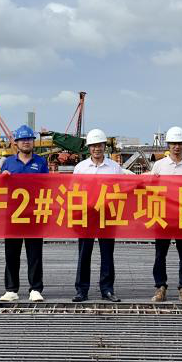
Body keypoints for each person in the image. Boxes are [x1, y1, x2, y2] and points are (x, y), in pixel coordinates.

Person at [72, 128, 123, 302]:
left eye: (99, 145)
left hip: (107, 215)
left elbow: (121, 189)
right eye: (93, 146)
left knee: (107, 253)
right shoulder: (80, 168)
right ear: (89, 148)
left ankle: (107, 289)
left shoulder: (114, 168)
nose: (96, 149)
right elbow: (73, 191)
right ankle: (81, 290)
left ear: (104, 147)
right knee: (84, 253)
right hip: (86, 215)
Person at [0, 124, 49, 303]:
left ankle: (35, 288)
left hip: (34, 213)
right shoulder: (8, 163)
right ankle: (11, 289)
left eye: (29, 139)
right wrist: (2, 178)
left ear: (33, 142)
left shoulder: (41, 162)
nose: (26, 142)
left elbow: (49, 185)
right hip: (13, 214)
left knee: (34, 253)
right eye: (22, 140)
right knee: (11, 253)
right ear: (16, 143)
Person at [148, 126, 182, 304]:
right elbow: (151, 189)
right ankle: (160, 287)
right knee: (160, 254)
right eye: (173, 143)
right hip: (162, 215)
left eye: (180, 143)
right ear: (168, 145)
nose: (177, 147)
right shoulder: (159, 166)